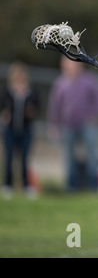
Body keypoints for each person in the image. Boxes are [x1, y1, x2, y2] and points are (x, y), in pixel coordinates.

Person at [47, 56, 98, 192]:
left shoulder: (89, 81)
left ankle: (93, 187)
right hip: (68, 126)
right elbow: (55, 107)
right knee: (69, 157)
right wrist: (54, 125)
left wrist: (94, 116)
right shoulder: (60, 83)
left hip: (87, 125)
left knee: (92, 156)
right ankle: (71, 187)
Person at [0, 61, 40, 199]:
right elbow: (2, 107)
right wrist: (5, 114)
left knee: (24, 158)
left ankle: (27, 185)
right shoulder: (7, 91)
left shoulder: (31, 91)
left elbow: (37, 107)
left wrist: (31, 112)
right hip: (10, 129)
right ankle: (7, 185)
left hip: (26, 129)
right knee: (9, 157)